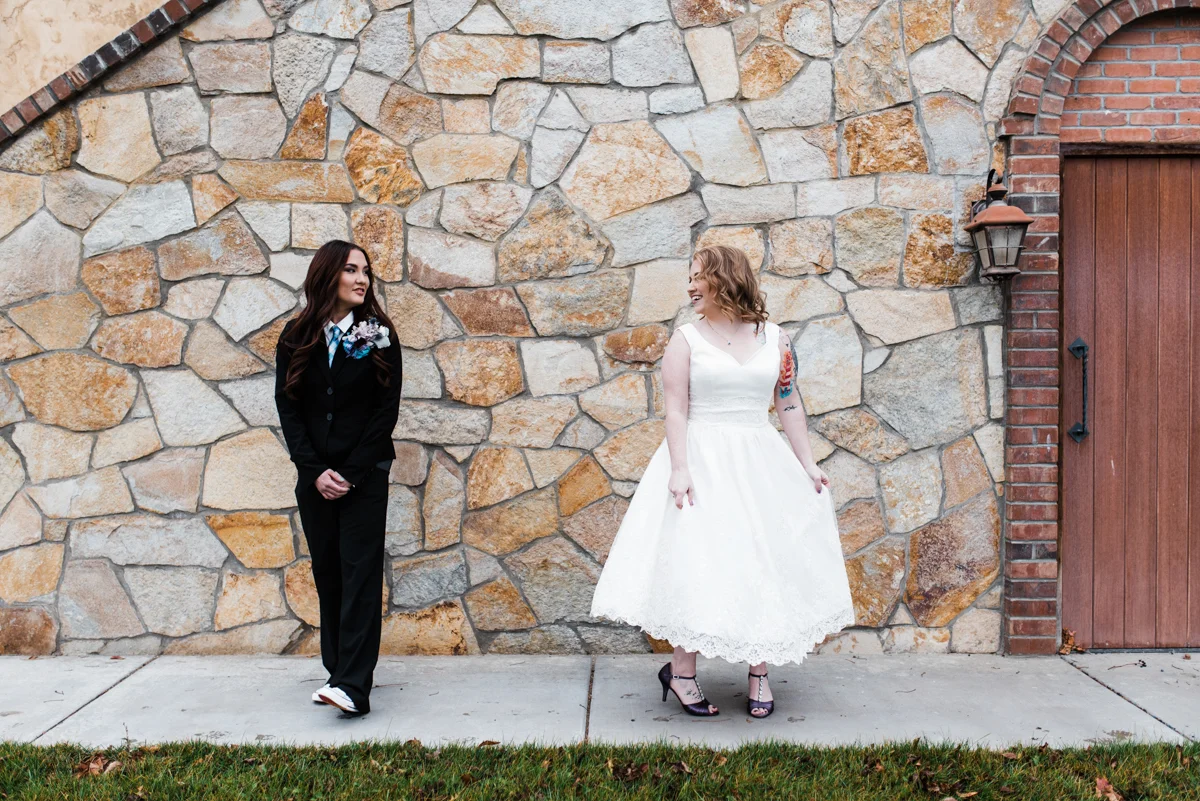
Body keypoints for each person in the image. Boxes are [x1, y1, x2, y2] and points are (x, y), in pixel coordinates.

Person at [590, 245, 855, 719]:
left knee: (761, 559)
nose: (690, 287)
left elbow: (789, 404)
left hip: (758, 462)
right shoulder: (685, 340)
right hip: (701, 460)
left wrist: (807, 464)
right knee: (699, 561)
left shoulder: (777, 339)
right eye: (689, 278)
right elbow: (675, 409)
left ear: (724, 279)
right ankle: (682, 672)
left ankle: (759, 672)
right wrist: (679, 468)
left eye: (698, 277)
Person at [274, 240, 402, 716]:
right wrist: (313, 470)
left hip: (363, 479)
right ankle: (338, 675)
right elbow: (288, 407)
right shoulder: (296, 334)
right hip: (315, 480)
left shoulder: (376, 333)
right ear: (327, 274)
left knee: (360, 576)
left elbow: (385, 412)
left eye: (365, 270)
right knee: (329, 575)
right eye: (351, 269)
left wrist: (348, 473)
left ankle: (354, 686)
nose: (361, 278)